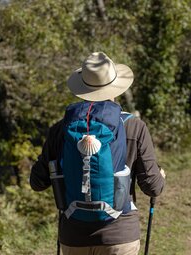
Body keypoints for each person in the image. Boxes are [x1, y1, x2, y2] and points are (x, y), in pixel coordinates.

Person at [30, 52, 165, 255]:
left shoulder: (61, 129)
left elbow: (37, 183)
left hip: (73, 238)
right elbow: (152, 187)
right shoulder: (134, 127)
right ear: (116, 87)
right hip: (120, 236)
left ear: (81, 89)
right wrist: (160, 178)